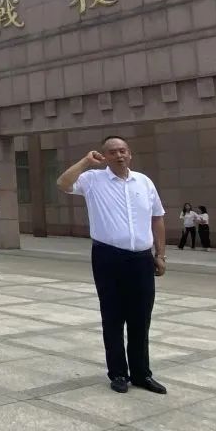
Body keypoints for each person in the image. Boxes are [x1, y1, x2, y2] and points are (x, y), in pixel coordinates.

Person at [56, 135, 167, 395]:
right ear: (104, 156)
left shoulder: (144, 182)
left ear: (130, 154)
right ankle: (118, 373)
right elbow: (62, 183)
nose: (119, 155)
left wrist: (160, 254)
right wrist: (86, 161)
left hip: (141, 259)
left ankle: (141, 373)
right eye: (113, 152)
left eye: (123, 150)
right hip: (108, 257)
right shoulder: (93, 180)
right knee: (113, 317)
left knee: (141, 318)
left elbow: (157, 218)